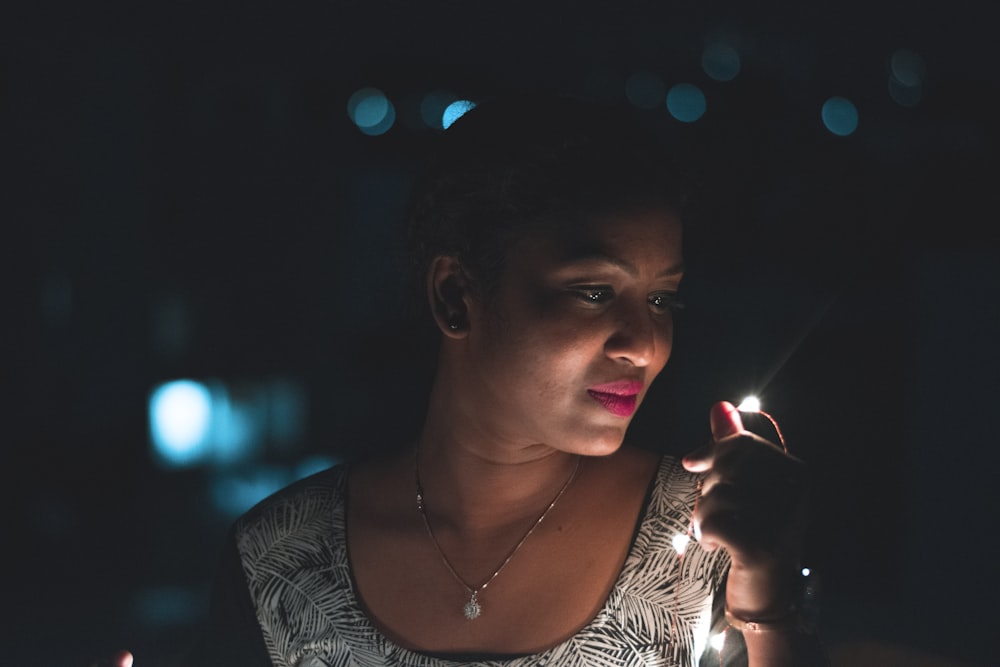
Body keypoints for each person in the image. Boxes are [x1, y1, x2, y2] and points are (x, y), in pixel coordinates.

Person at [105, 94, 825, 666]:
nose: (643, 344)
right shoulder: (283, 564)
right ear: (455, 295)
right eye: (594, 292)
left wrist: (767, 602)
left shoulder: (710, 542)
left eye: (661, 299)